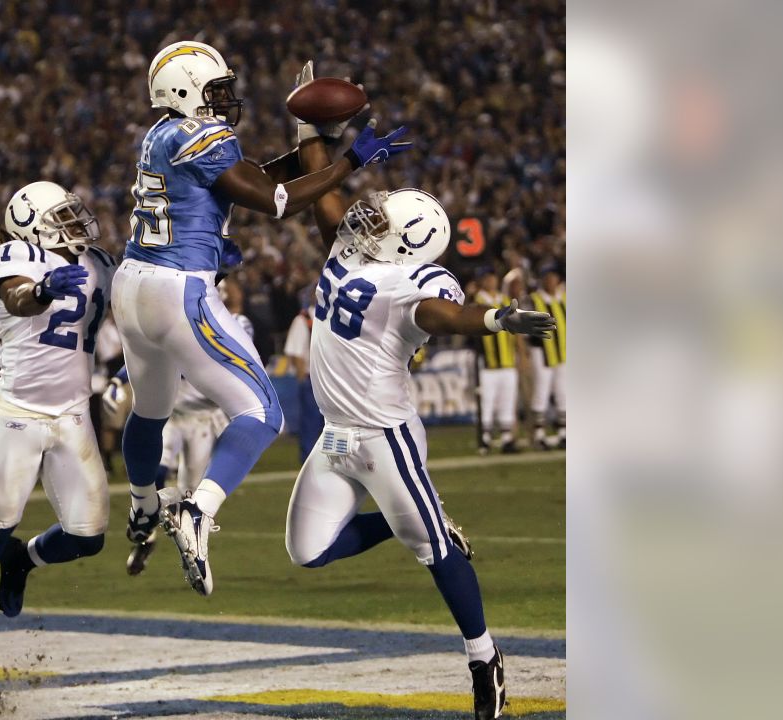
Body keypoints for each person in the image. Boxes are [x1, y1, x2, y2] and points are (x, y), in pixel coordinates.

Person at [285, 66, 555, 719]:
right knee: (308, 551)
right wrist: (308, 130)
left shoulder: (417, 284)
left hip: (385, 437)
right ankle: (422, 520)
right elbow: (320, 194)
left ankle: (485, 659)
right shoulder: (349, 250)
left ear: (408, 245)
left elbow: (441, 317)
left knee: (434, 555)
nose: (363, 219)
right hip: (336, 435)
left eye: (379, 221)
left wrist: (492, 318)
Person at [113, 40, 413, 596]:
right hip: (180, 286)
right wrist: (348, 161)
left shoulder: (160, 135)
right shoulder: (199, 134)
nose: (227, 100)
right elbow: (273, 199)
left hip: (133, 285)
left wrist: (312, 149)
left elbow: (245, 177)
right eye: (216, 89)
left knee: (150, 410)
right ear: (185, 90)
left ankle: (141, 505)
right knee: (262, 410)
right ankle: (197, 510)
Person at [0, 181, 117, 661]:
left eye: (72, 213)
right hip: (20, 411)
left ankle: (24, 560)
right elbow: (19, 297)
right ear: (30, 226)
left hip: (73, 415)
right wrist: (43, 289)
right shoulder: (12, 256)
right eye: (59, 217)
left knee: (88, 538)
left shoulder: (100, 264)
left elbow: (137, 306)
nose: (73, 224)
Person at [107, 280, 255, 576]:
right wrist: (119, 378)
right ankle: (146, 533)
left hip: (205, 418)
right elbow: (153, 351)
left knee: (191, 495)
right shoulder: (179, 316)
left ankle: (189, 551)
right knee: (156, 473)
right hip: (171, 414)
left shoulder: (237, 323)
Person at [473, 270, 522, 454]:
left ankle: (507, 438)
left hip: (508, 360)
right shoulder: (477, 301)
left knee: (507, 400)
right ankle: (484, 438)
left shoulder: (505, 300)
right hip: (487, 361)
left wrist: (521, 353)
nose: (491, 281)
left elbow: (515, 327)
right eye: (488, 278)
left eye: (493, 277)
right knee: (487, 401)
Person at [525, 265, 567, 450]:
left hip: (563, 352)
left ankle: (564, 433)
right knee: (541, 391)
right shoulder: (534, 300)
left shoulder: (564, 297)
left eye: (554, 277)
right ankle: (539, 434)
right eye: (548, 277)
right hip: (540, 351)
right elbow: (524, 327)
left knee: (563, 393)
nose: (551, 281)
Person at [283, 301, 325, 462]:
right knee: (310, 424)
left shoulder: (335, 315)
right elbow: (295, 352)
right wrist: (303, 379)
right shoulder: (303, 319)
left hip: (332, 379)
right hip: (312, 378)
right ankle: (308, 461)